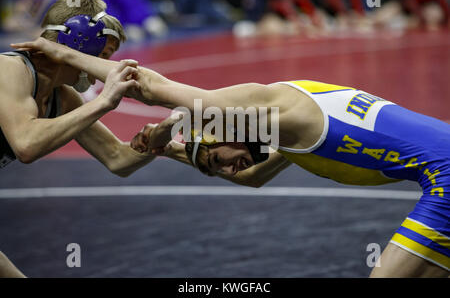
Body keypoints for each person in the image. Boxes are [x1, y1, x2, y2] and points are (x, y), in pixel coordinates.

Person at [12, 37, 450, 278]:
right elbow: (252, 179)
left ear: (220, 128)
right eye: (214, 170)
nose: (226, 169)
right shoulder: (287, 131)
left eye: (216, 160)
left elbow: (149, 85)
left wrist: (67, 55)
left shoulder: (284, 116)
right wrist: (171, 149)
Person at [0, 0, 169, 277]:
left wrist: (163, 136)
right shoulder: (9, 70)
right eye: (103, 56)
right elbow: (26, 144)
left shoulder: (61, 97)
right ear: (77, 43)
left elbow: (117, 158)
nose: (104, 70)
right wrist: (103, 103)